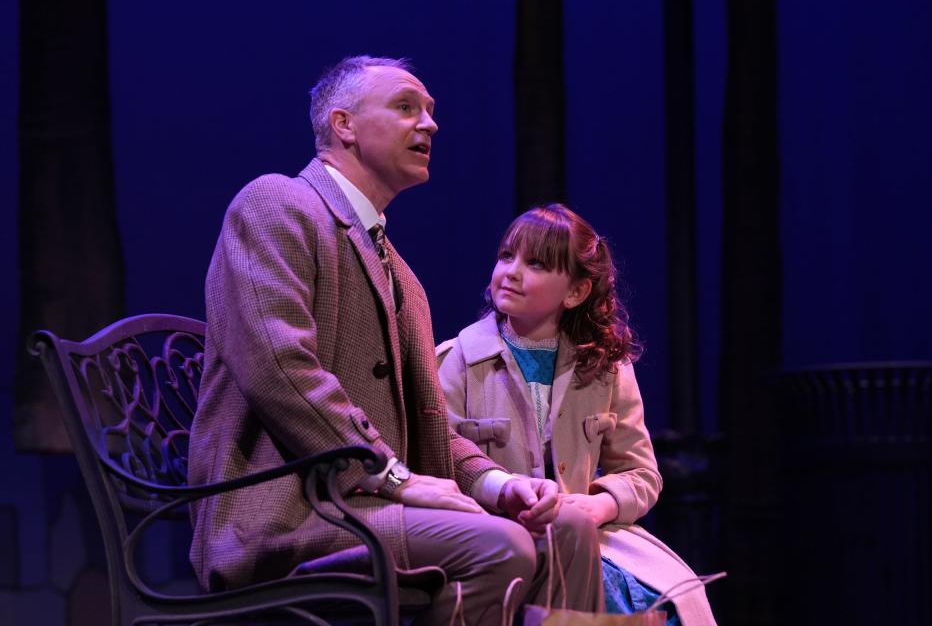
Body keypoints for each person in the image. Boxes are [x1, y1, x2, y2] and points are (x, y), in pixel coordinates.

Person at [187, 56, 602, 626]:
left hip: (364, 503)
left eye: (431, 112)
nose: (429, 124)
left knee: (568, 529)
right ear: (344, 125)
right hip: (291, 514)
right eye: (407, 107)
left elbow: (430, 421)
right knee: (499, 548)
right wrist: (397, 478)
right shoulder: (277, 204)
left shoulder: (399, 272)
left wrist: (498, 483)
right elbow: (281, 370)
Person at [437, 204, 718, 625]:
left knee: (668, 606)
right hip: (496, 538)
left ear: (574, 292)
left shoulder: (604, 368)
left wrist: (600, 506)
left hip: (591, 538)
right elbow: (439, 460)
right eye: (506, 256)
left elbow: (641, 474)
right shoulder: (456, 362)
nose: (511, 272)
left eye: (535, 263)